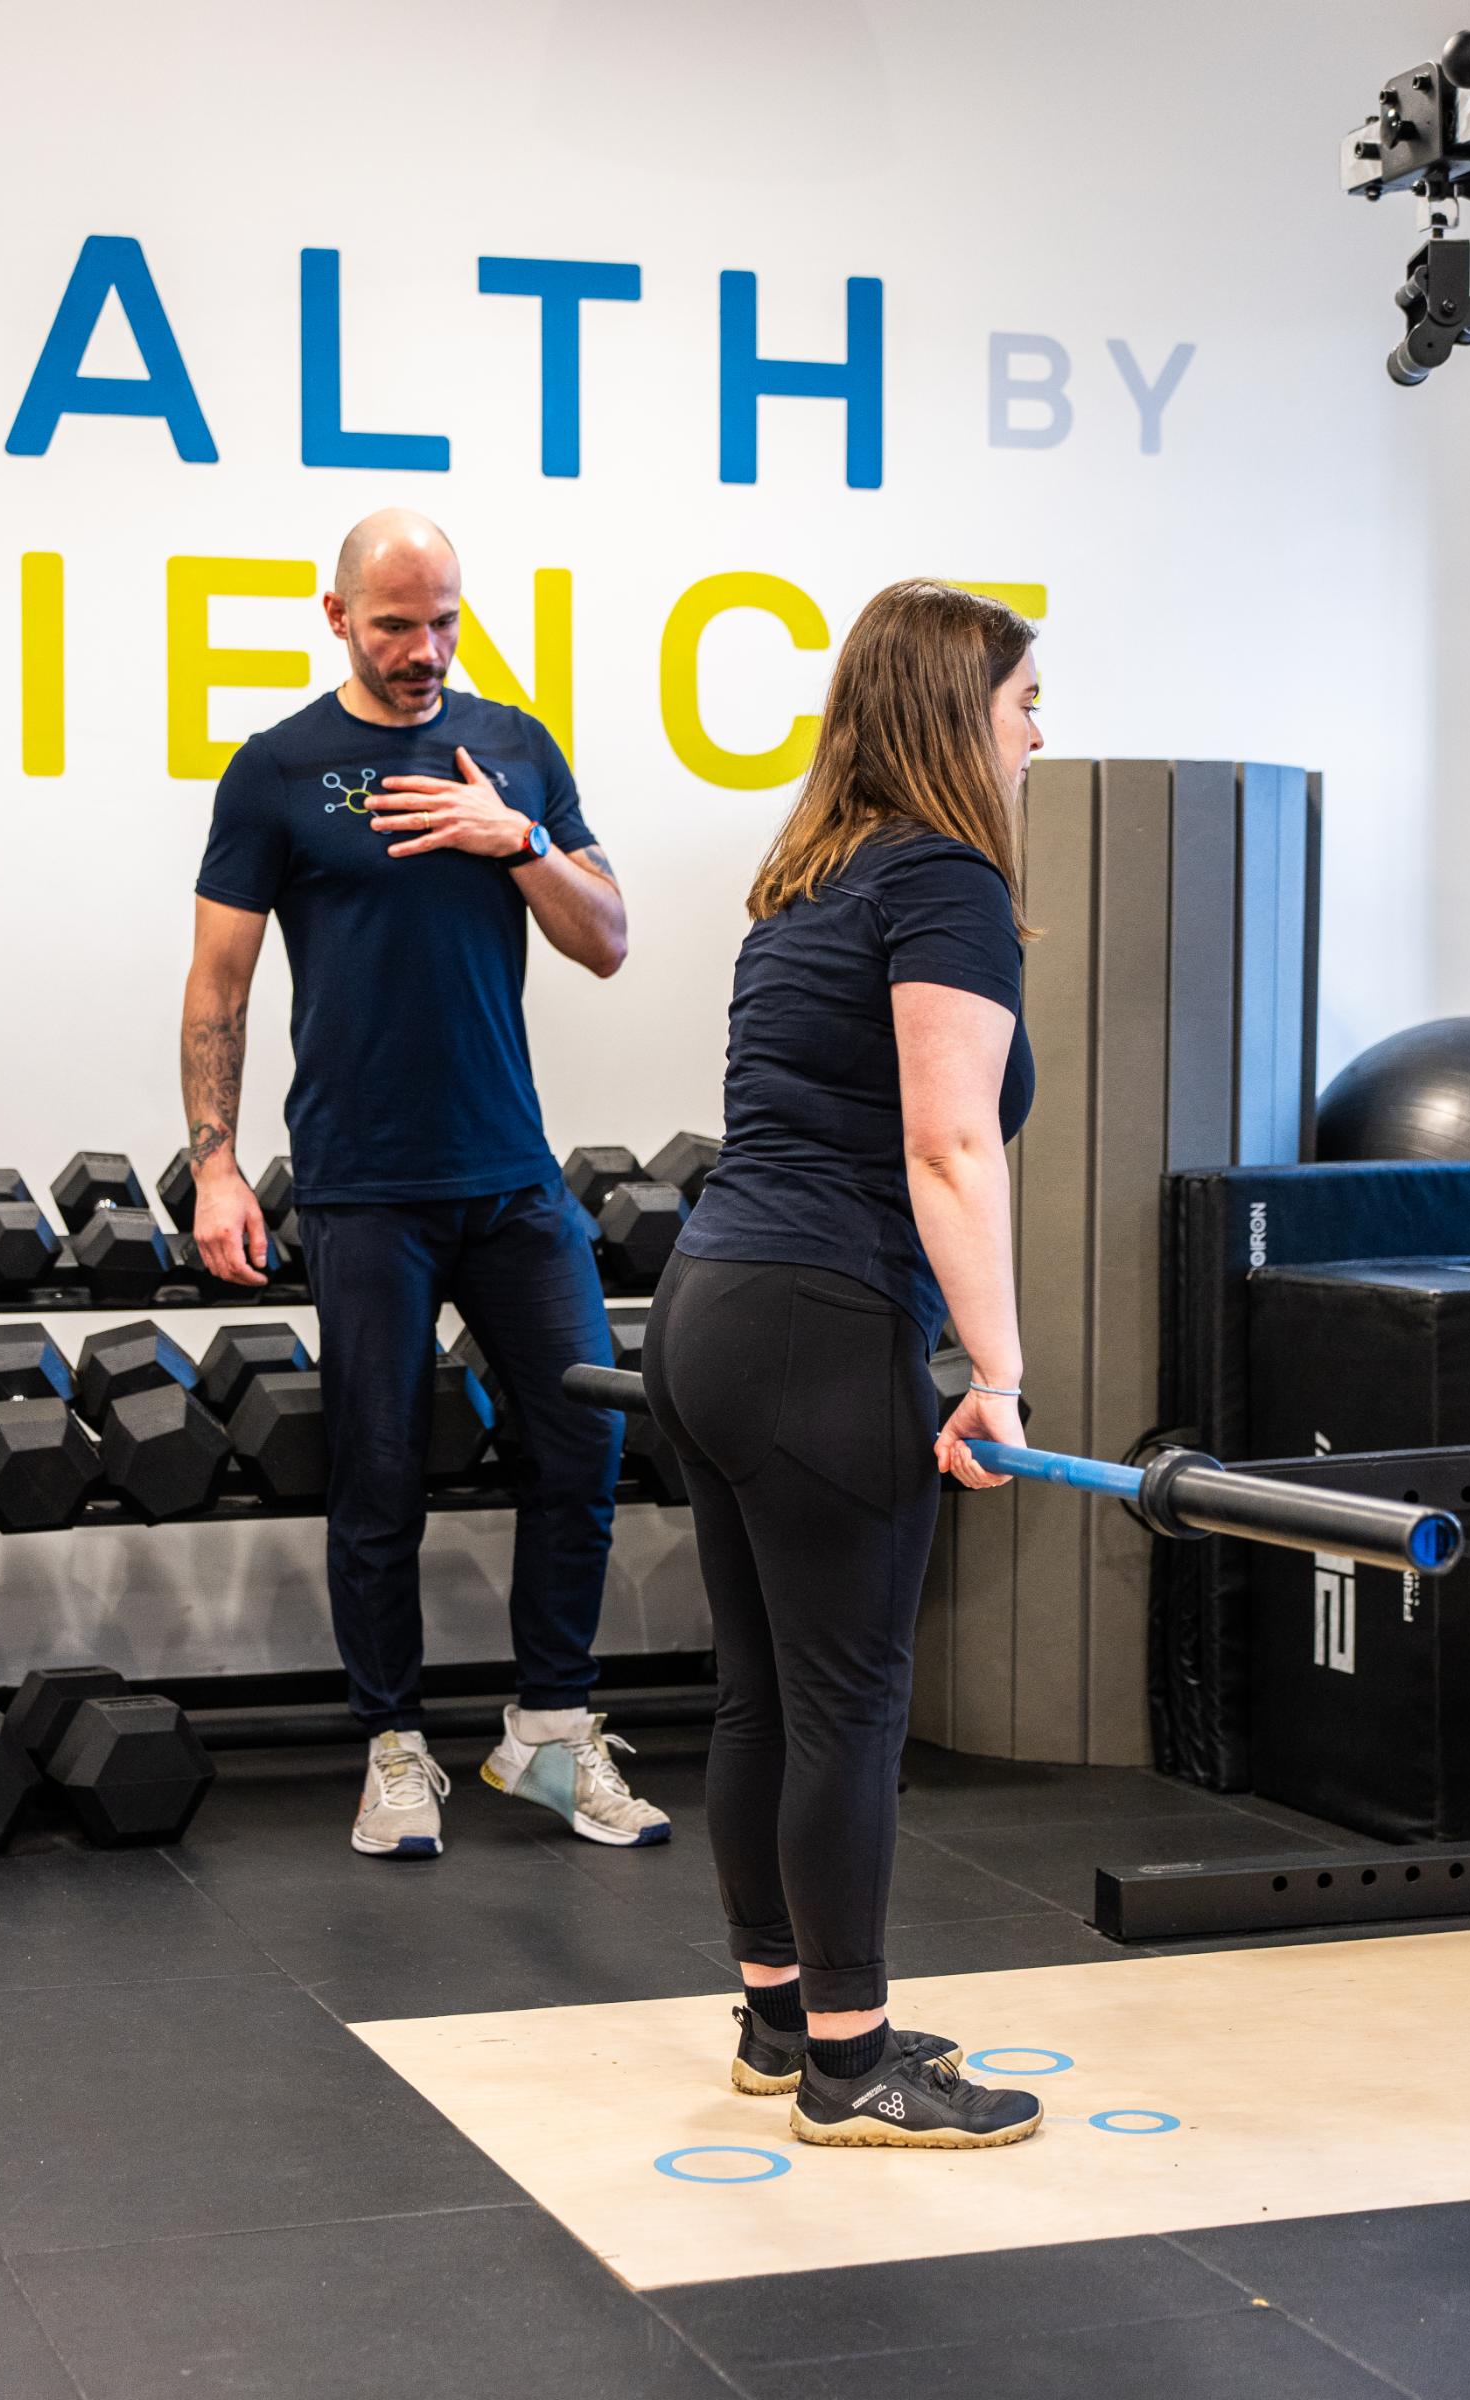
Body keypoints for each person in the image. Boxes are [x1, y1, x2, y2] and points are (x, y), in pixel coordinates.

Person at [179, 508, 669, 1859]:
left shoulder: (512, 750)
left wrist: (512, 837)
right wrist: (218, 1168)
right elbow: (218, 987)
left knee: (587, 1440)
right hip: (361, 1185)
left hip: (511, 1175)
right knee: (380, 1473)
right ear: (336, 616)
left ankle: (551, 1738)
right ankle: (395, 1747)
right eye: (396, 623)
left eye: (444, 619)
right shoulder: (276, 772)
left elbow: (610, 941)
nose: (424, 648)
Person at [643, 581, 1043, 2147]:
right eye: (1021, 701)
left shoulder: (809, 874)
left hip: (708, 1310)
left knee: (766, 1693)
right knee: (854, 1701)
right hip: (815, 1324)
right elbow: (950, 1146)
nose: (1038, 726)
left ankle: (777, 2017)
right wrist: (996, 1375)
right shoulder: (941, 879)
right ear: (960, 714)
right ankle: (852, 2062)